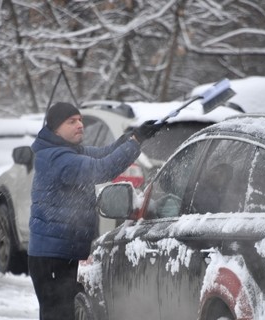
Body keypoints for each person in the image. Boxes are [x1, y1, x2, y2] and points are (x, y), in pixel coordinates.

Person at [28, 101, 163, 320]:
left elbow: (103, 154)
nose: (80, 125)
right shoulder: (58, 159)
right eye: (71, 122)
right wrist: (135, 142)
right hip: (53, 256)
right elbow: (102, 169)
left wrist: (132, 138)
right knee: (58, 315)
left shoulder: (66, 151)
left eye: (80, 120)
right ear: (54, 129)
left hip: (62, 253)